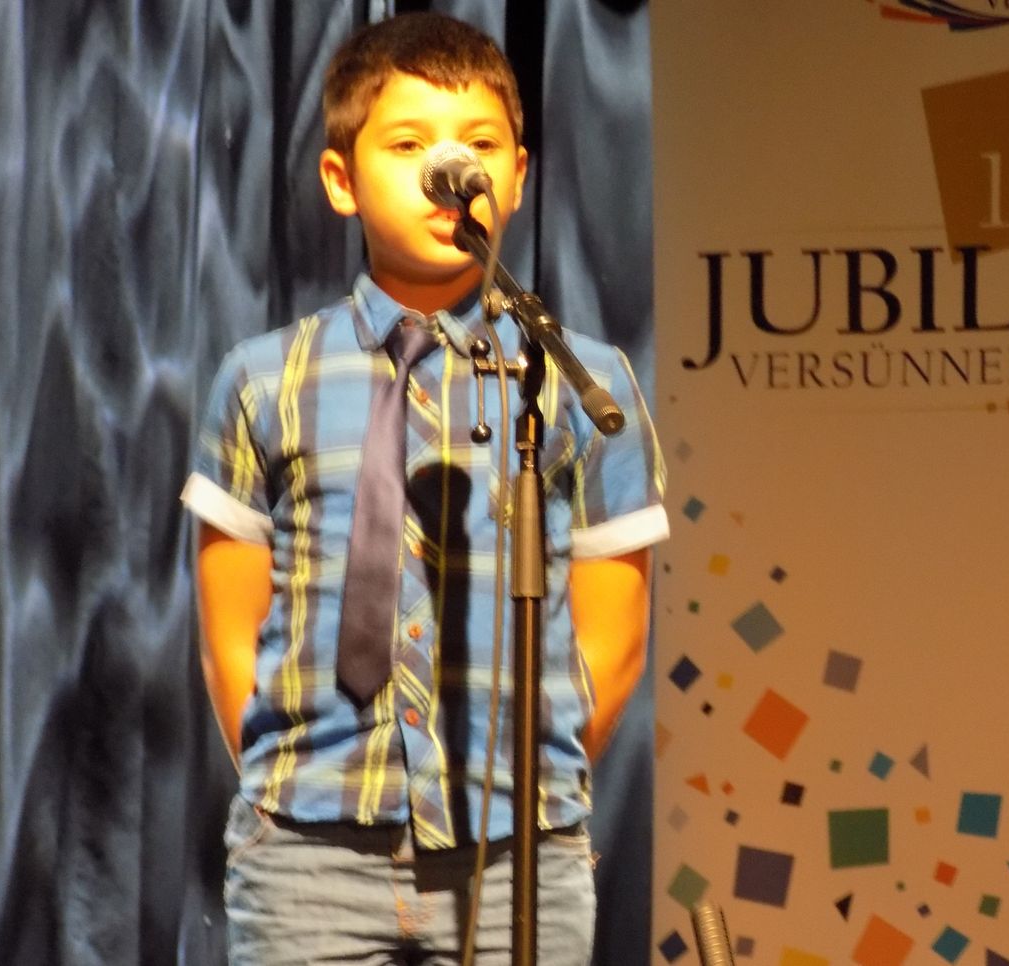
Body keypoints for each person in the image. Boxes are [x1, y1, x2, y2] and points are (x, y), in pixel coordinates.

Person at [181, 12, 668, 965]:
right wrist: (294, 788)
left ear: (517, 175)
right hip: (306, 858)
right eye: (408, 145)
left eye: (478, 144)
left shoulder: (579, 381)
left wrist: (525, 783)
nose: (449, 166)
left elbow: (614, 639)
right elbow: (229, 631)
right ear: (341, 180)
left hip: (518, 856)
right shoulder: (262, 379)